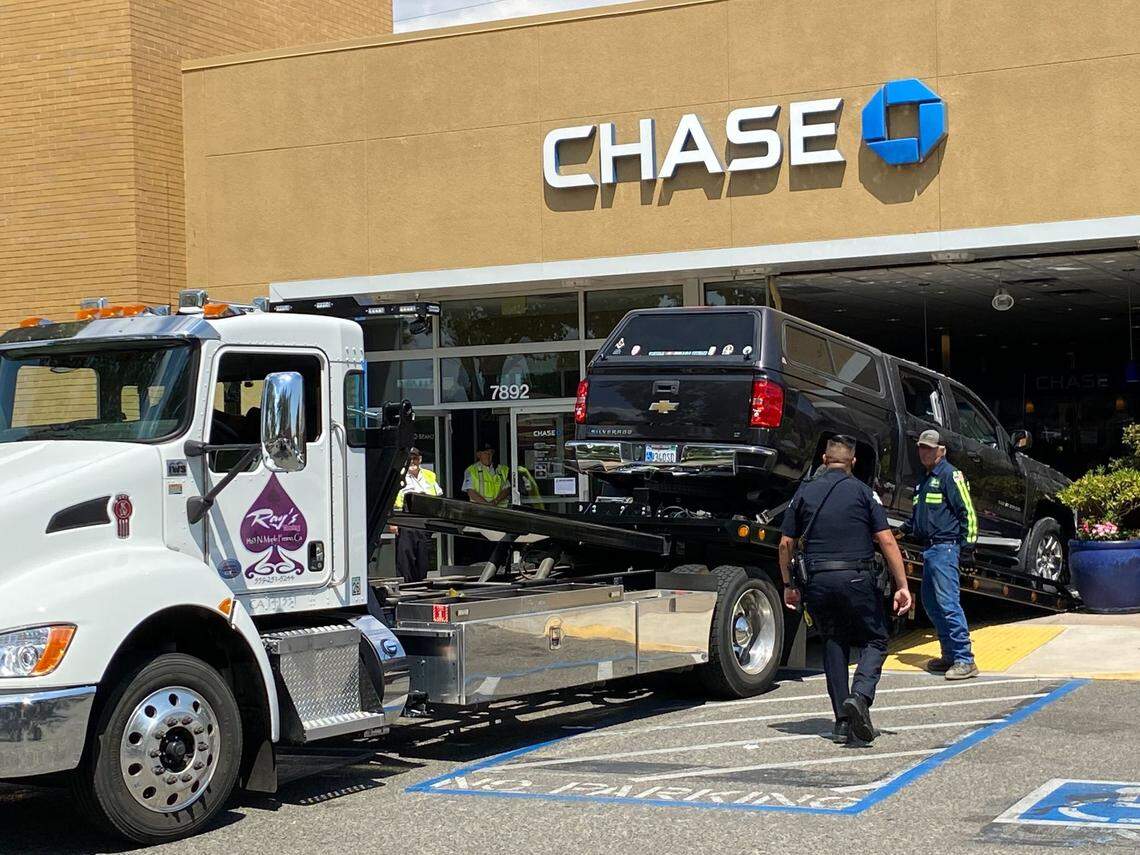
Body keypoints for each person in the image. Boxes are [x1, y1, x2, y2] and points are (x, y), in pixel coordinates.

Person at [779, 435, 912, 744]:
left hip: (818, 582)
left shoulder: (804, 493)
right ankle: (861, 697)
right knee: (875, 639)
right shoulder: (866, 494)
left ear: (824, 461)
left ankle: (842, 721)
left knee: (833, 642)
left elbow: (786, 543)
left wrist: (788, 585)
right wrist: (902, 585)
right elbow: (887, 540)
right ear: (853, 462)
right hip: (857, 578)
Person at [895, 430, 980, 681]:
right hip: (930, 550)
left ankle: (965, 659)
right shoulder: (923, 481)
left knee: (948, 604)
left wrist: (967, 548)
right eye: (921, 447)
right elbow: (919, 519)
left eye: (929, 448)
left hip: (946, 549)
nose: (924, 452)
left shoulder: (950, 475)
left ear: (941, 450)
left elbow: (968, 512)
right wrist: (901, 531)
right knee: (932, 605)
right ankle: (950, 655)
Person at [391, 447, 442, 583]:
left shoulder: (429, 475)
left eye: (415, 458)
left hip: (424, 520)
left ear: (420, 460)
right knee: (406, 558)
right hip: (405, 520)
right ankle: (406, 586)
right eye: (409, 459)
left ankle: (421, 585)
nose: (412, 461)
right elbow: (389, 501)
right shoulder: (398, 475)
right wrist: (392, 522)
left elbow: (438, 496)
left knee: (422, 557)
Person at [463, 442, 511, 508]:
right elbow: (471, 492)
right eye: (485, 453)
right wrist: (487, 505)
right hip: (480, 510)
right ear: (478, 455)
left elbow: (507, 489)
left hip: (500, 510)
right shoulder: (471, 470)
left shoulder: (501, 469)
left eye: (490, 453)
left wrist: (495, 502)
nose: (488, 456)